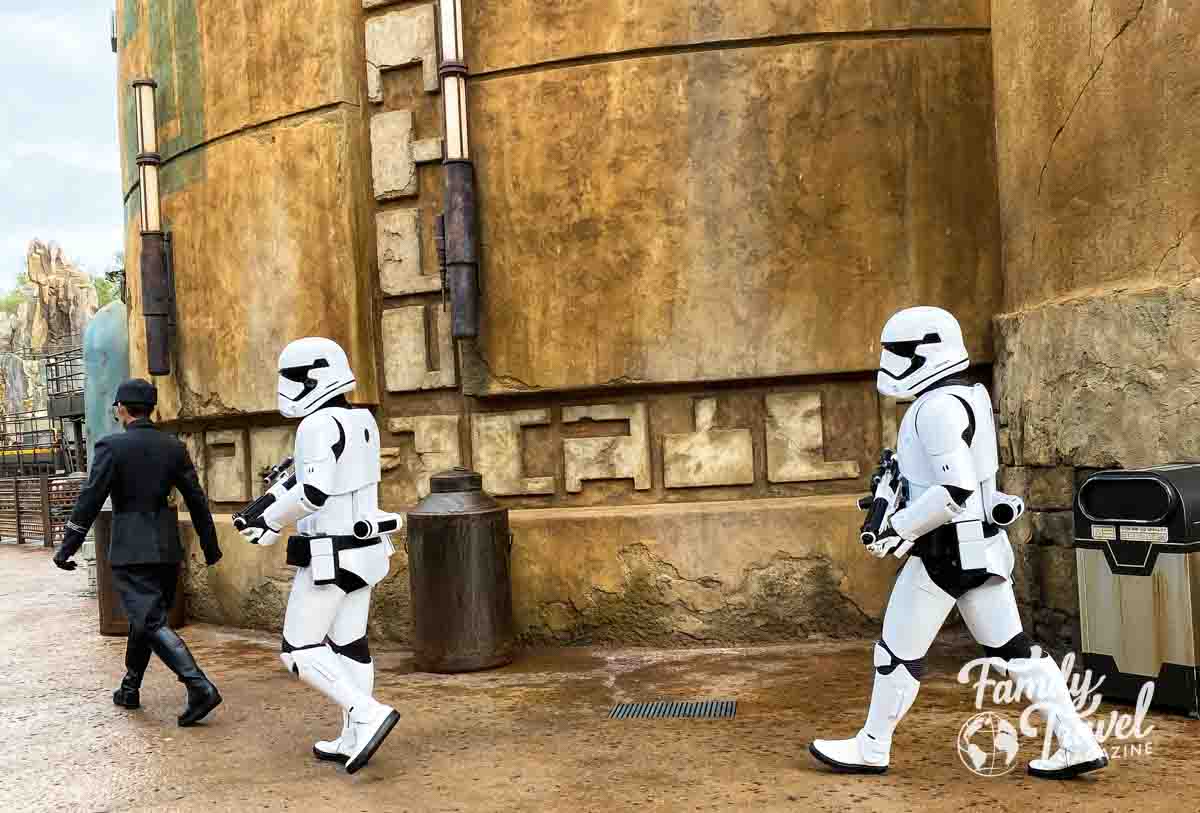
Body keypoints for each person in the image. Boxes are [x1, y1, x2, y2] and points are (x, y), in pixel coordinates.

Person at [809, 306, 1108, 780]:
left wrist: (898, 528)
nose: (891, 362)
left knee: (896, 652)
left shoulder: (935, 409)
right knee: (1014, 650)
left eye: (901, 352)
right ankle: (1077, 742)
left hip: (945, 552)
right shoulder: (969, 396)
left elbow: (955, 490)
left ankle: (872, 747)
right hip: (982, 547)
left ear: (927, 352)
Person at [235, 337, 401, 774]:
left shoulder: (315, 425)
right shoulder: (360, 419)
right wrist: (270, 506)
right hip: (365, 550)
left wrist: (270, 521)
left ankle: (366, 714)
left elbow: (312, 492)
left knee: (298, 649)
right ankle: (353, 734)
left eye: (292, 377)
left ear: (312, 377)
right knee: (349, 645)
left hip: (331, 554)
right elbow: (315, 482)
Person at [53, 378, 223, 726]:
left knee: (149, 619)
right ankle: (130, 687)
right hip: (165, 546)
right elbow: (196, 499)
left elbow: (90, 499)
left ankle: (198, 685)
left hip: (131, 547)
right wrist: (210, 545)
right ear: (151, 408)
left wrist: (67, 546)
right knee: (144, 618)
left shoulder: (111, 447)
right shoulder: (172, 447)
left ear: (121, 409)